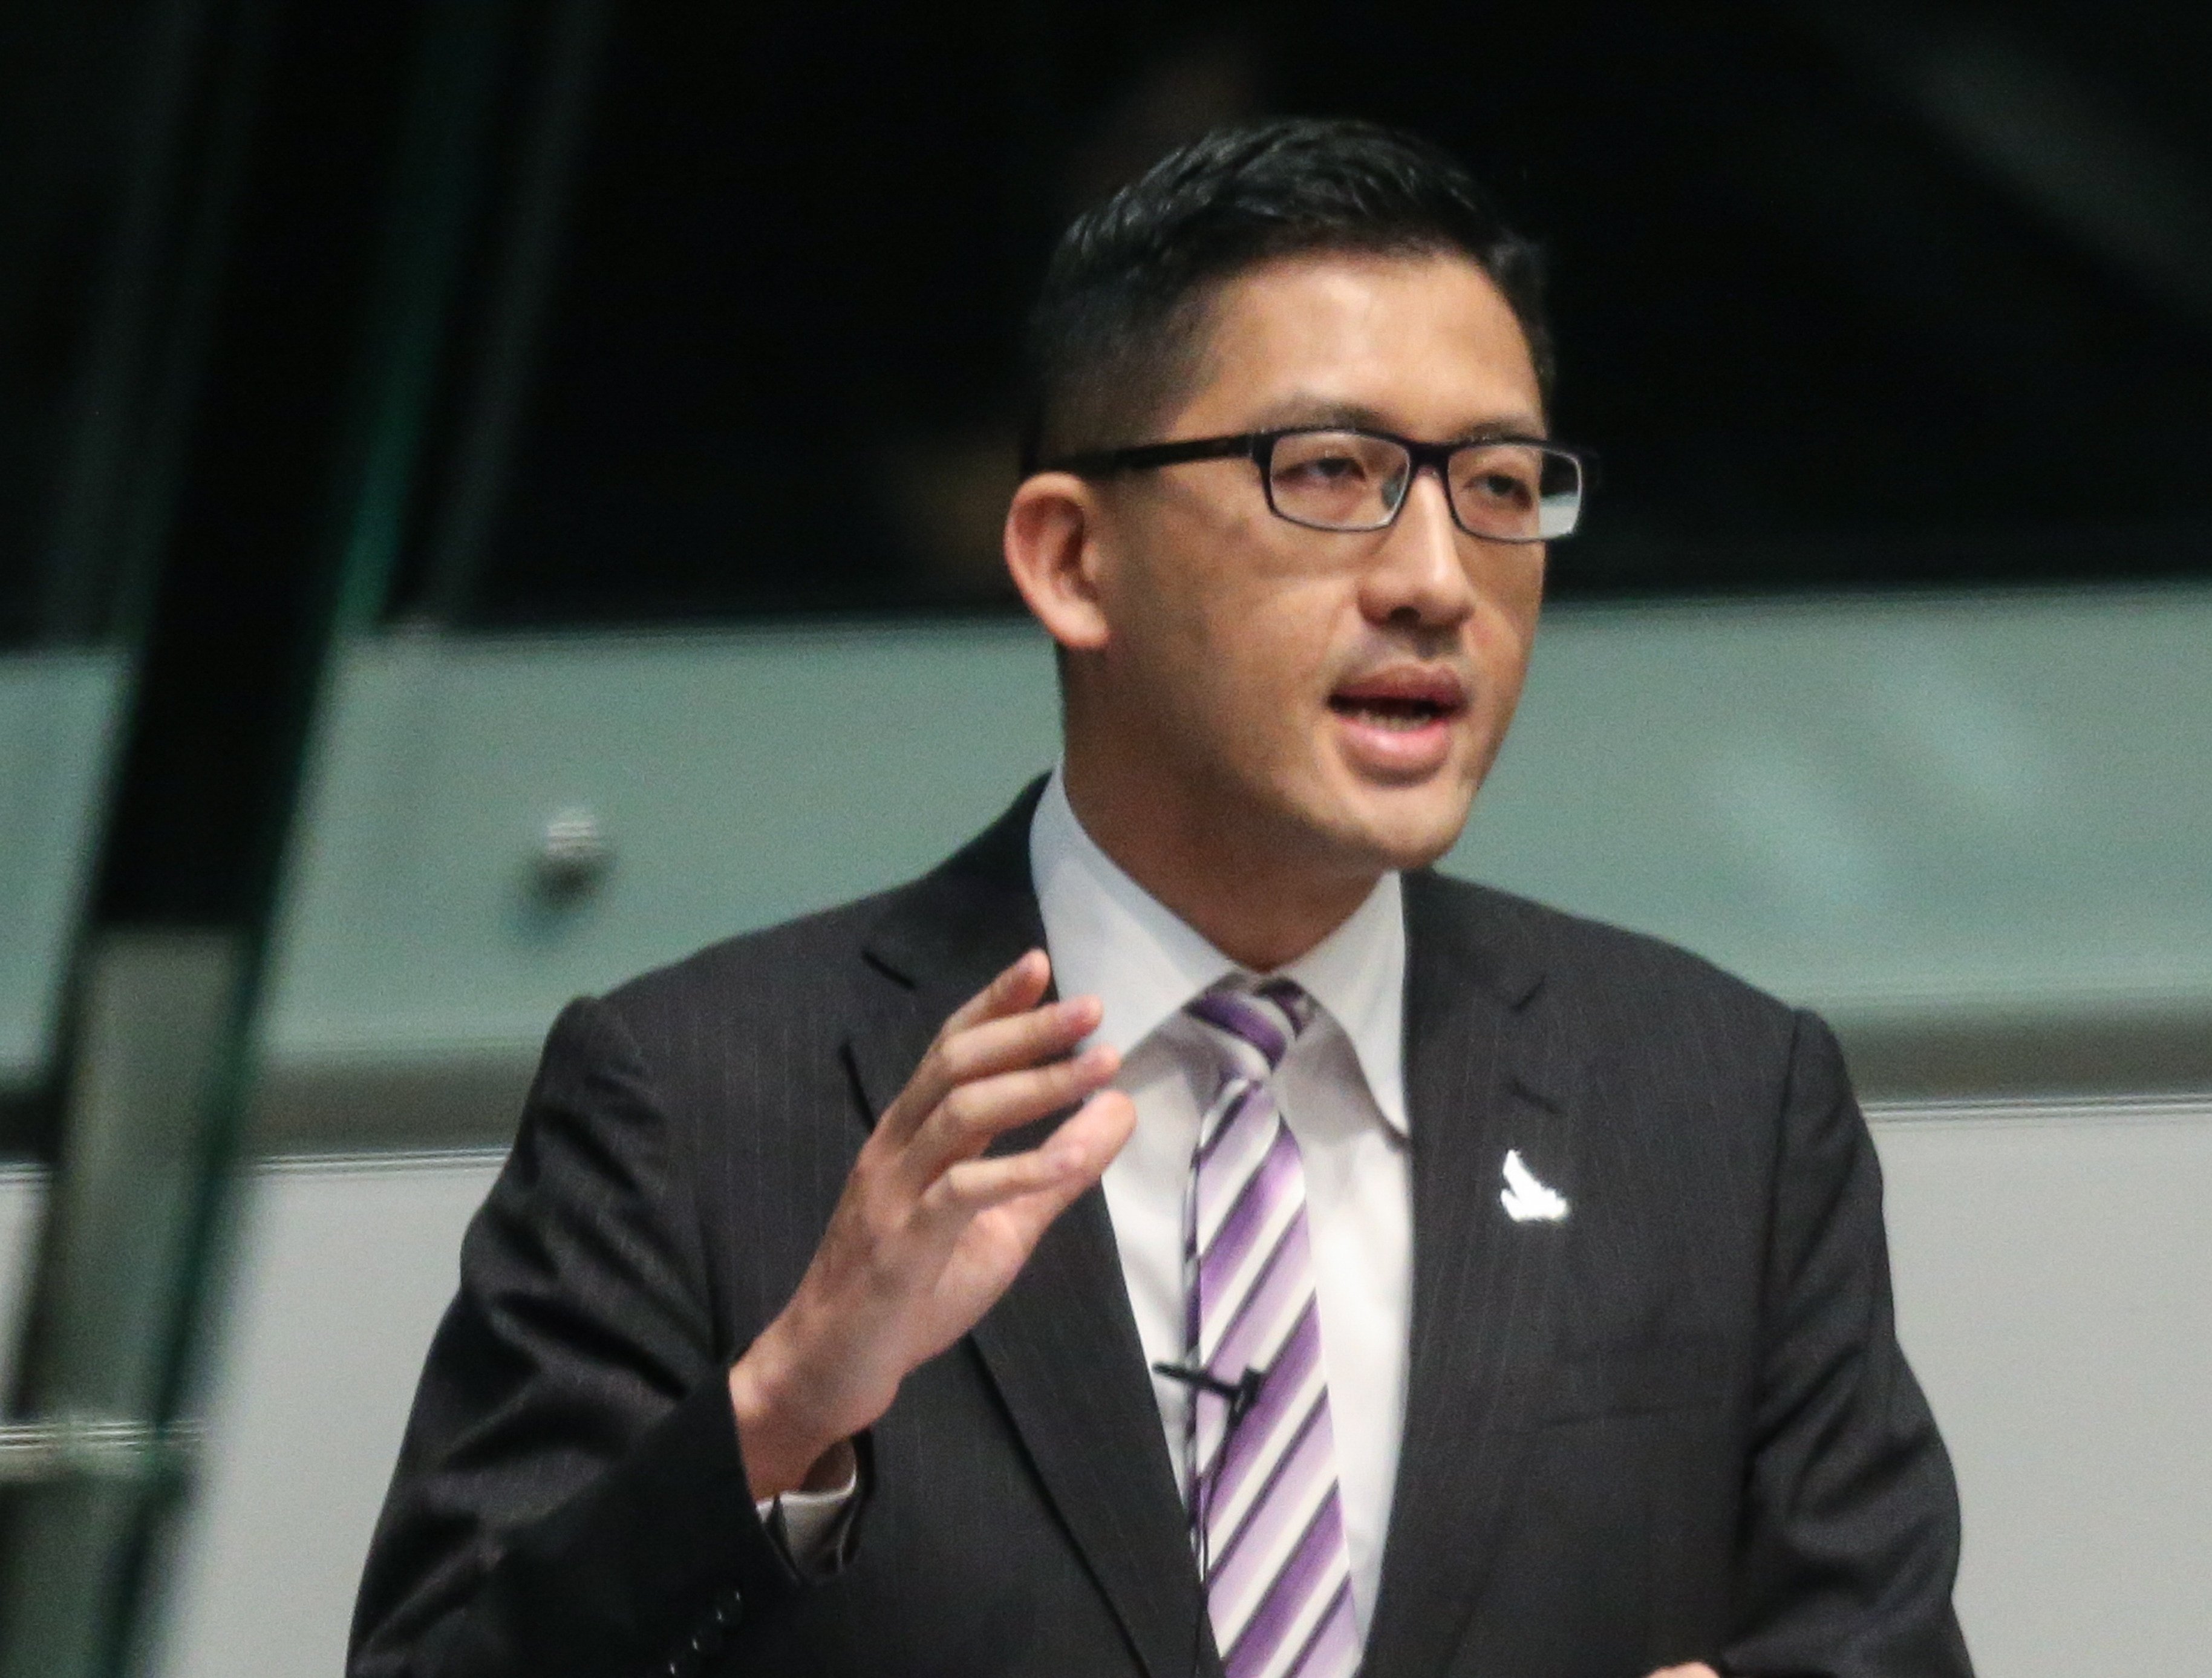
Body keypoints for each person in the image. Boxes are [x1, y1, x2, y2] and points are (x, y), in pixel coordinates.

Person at [350, 118, 1970, 1678]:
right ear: (1071, 560)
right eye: (1331, 470)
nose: (1432, 576)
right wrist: (779, 1408)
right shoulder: (698, 1108)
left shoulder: (1720, 1109)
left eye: (1496, 483)